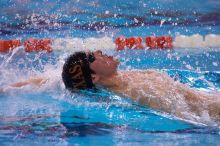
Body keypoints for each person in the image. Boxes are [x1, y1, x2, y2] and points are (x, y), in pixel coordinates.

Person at [2, 50, 220, 124]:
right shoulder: (138, 93)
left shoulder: (122, 77)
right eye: (92, 57)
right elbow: (191, 118)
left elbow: (48, 79)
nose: (99, 52)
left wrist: (7, 87)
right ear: (95, 77)